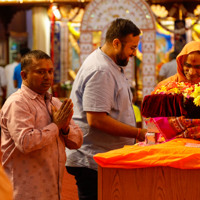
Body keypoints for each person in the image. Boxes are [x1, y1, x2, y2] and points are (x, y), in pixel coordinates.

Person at [65, 18, 147, 200]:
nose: (134, 53)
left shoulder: (110, 65)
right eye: (132, 48)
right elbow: (97, 119)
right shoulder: (101, 70)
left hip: (101, 157)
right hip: (92, 159)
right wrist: (138, 133)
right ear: (116, 43)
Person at [0, 50, 83, 200]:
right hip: (24, 192)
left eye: (50, 71)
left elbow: (77, 141)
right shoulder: (18, 103)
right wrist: (56, 126)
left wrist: (65, 128)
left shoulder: (54, 102)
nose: (48, 77)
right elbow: (26, 142)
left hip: (52, 190)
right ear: (24, 75)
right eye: (41, 72)